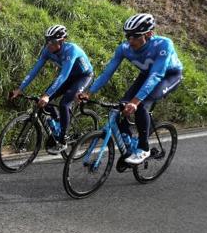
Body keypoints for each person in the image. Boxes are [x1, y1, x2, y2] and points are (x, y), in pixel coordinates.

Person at [78, 13, 183, 164]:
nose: (130, 40)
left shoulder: (163, 44)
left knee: (141, 105)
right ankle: (128, 143)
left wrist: (135, 101)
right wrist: (89, 92)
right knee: (122, 105)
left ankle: (144, 148)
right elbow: (107, 73)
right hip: (147, 75)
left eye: (135, 36)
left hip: (168, 76)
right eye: (128, 36)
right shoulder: (124, 49)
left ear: (149, 34)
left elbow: (156, 75)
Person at [9, 25, 94, 154]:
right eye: (47, 41)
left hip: (83, 76)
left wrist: (48, 95)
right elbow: (34, 71)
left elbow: (63, 75)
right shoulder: (47, 50)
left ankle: (63, 139)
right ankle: (59, 122)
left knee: (64, 103)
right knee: (43, 100)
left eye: (52, 42)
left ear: (62, 41)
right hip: (69, 77)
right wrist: (20, 88)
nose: (49, 45)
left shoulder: (71, 50)